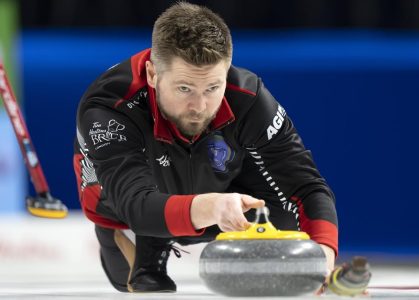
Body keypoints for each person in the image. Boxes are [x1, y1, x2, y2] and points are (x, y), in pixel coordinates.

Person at [73, 1, 338, 293]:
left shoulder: (248, 96)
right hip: (127, 203)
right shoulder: (109, 106)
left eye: (212, 88)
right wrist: (211, 207)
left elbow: (306, 186)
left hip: (218, 181)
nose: (199, 107)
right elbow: (135, 205)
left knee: (286, 213)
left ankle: (199, 216)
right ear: (152, 74)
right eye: (184, 88)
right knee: (135, 277)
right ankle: (150, 244)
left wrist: (322, 255)